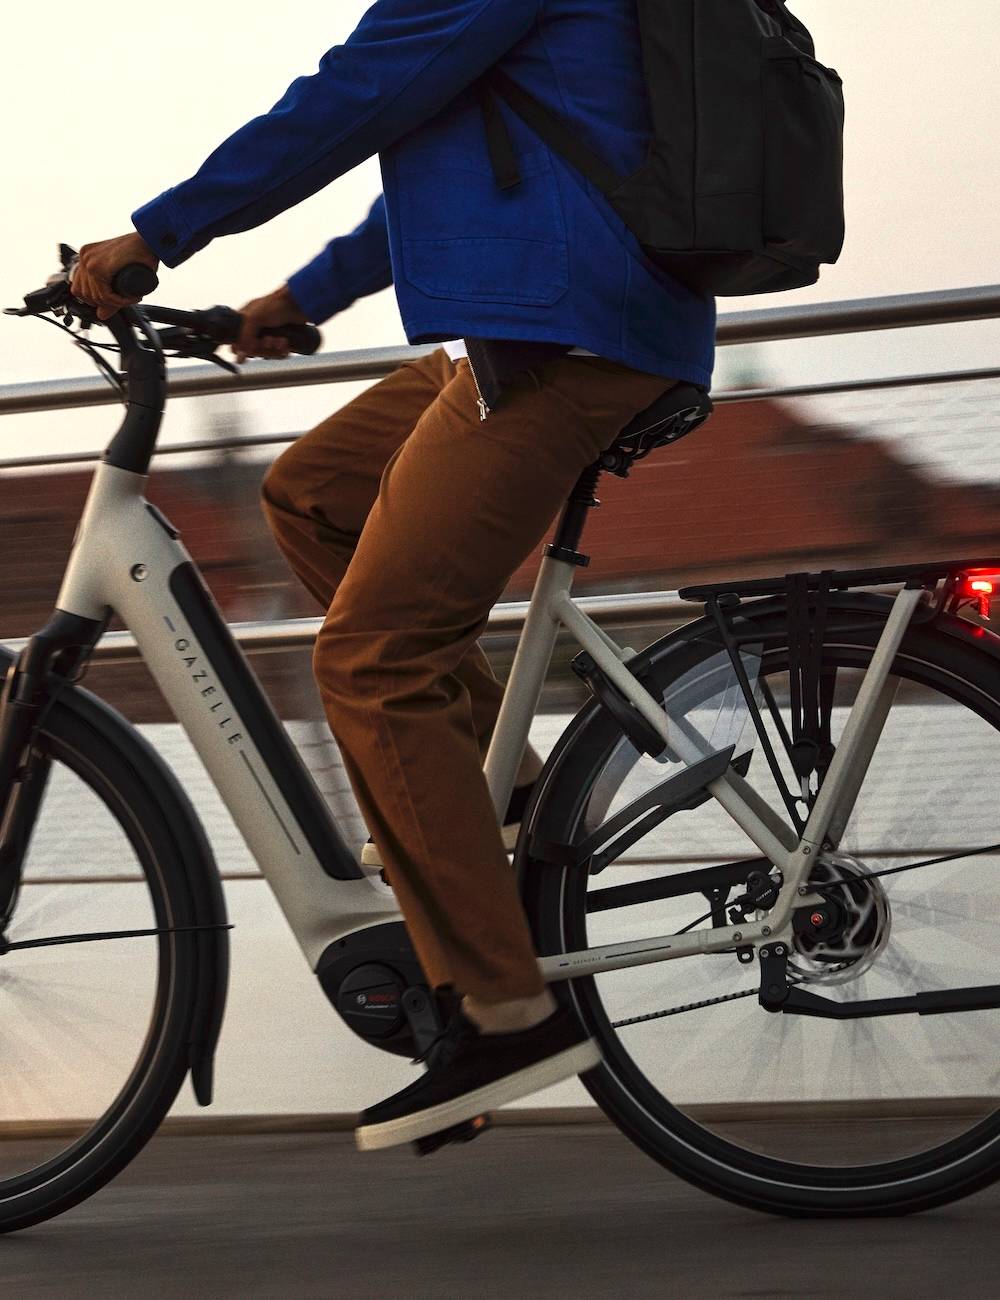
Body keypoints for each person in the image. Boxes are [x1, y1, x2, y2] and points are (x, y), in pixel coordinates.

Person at [70, 0, 716, 1152]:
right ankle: (500, 793)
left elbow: (352, 93)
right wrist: (297, 302)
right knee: (312, 492)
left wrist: (155, 234)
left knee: (369, 659)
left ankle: (506, 1011)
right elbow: (429, 147)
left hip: (564, 340)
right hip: (534, 324)